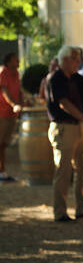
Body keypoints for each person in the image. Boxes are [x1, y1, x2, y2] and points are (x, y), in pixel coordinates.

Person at [44, 46, 83, 222]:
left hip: (79, 127)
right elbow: (63, 103)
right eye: (74, 58)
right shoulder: (55, 78)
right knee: (63, 171)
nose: (78, 62)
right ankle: (60, 212)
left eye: (79, 58)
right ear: (64, 59)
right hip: (63, 127)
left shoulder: (79, 79)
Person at [0, 53, 23, 182]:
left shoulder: (16, 74)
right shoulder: (3, 73)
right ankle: (1, 170)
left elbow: (18, 90)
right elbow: (4, 91)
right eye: (16, 60)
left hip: (12, 114)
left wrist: (22, 102)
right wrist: (14, 104)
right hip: (2, 112)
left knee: (4, 144)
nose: (18, 62)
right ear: (9, 62)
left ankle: (2, 171)